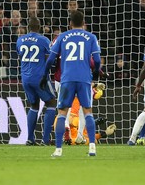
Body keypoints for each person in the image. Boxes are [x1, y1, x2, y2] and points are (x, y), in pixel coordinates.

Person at [41, 10, 101, 157]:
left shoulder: (62, 37)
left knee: (62, 113)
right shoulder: (91, 37)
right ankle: (92, 147)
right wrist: (95, 73)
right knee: (87, 112)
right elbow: (97, 60)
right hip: (84, 79)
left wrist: (45, 74)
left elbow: (50, 60)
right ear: (84, 23)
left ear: (70, 23)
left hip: (66, 79)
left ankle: (58, 149)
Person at [16, 17, 56, 146]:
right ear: (39, 27)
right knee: (51, 103)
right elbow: (49, 59)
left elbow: (20, 55)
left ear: (28, 27)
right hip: (39, 77)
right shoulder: (44, 40)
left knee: (34, 106)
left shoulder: (20, 40)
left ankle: (30, 139)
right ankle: (45, 140)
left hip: (26, 78)